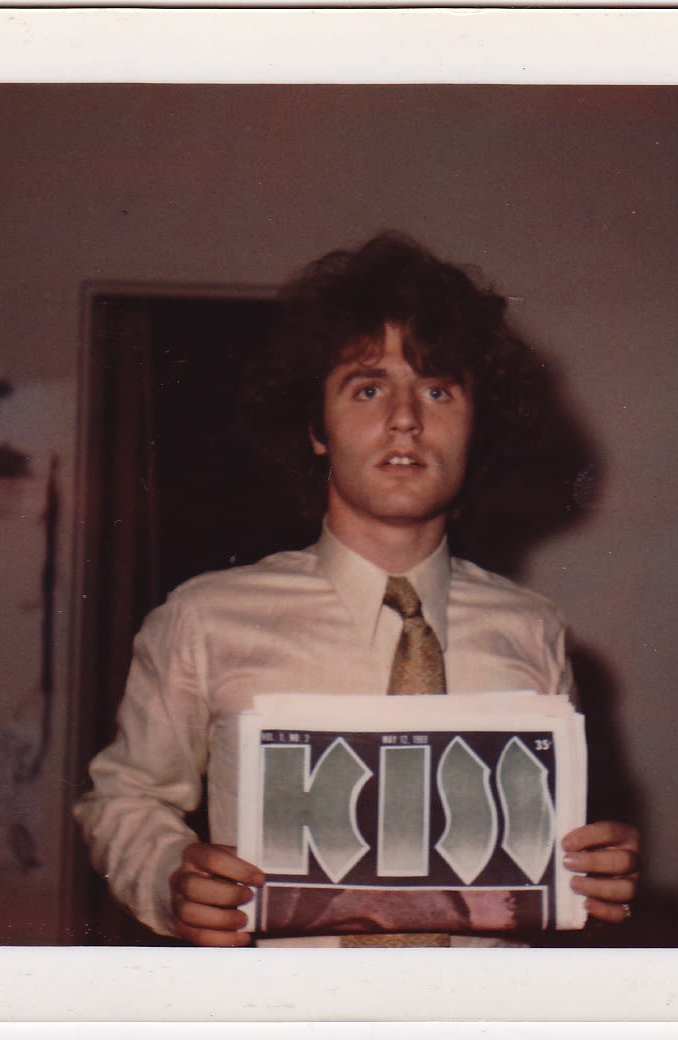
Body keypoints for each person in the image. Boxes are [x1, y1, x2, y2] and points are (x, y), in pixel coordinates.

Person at [73, 232, 640, 947]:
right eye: (368, 388)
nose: (406, 418)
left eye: (438, 389)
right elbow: (124, 797)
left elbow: (552, 856)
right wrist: (167, 876)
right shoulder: (203, 619)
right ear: (317, 426)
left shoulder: (534, 631)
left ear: (477, 423)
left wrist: (597, 865)